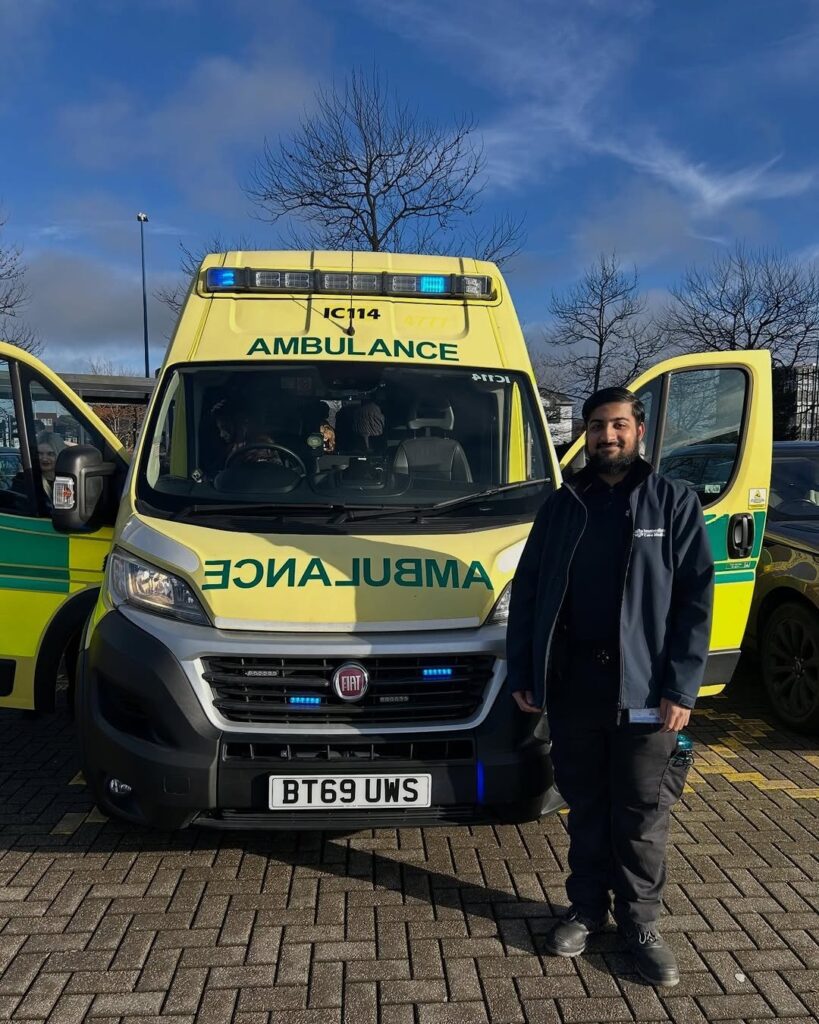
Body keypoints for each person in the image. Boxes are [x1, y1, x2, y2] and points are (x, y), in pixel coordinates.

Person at [506, 386, 714, 988]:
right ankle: (587, 910)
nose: (608, 436)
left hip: (648, 690)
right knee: (587, 805)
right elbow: (529, 592)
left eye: (619, 425)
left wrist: (683, 687)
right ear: (585, 433)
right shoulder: (562, 504)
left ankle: (641, 925)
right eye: (597, 426)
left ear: (639, 431)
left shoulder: (672, 502)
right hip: (574, 686)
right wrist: (524, 672)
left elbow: (695, 602)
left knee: (642, 811)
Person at [36, 431, 65, 503]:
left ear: (59, 455)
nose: (44, 458)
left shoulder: (69, 480)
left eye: (50, 454)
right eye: (40, 454)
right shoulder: (28, 480)